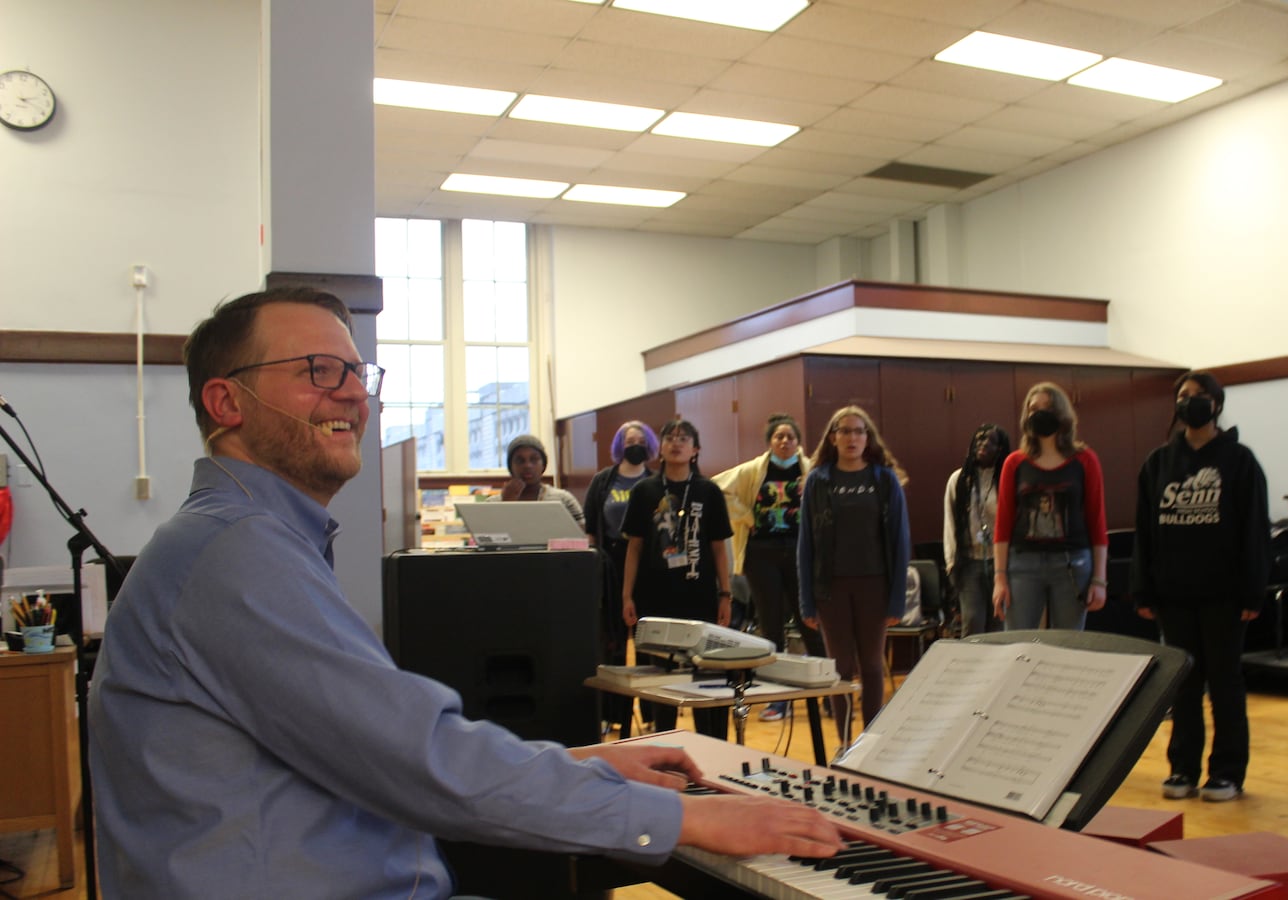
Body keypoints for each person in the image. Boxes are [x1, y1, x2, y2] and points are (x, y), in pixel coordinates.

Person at [85, 287, 841, 897]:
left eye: (359, 374)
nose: (353, 396)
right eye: (320, 370)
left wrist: (577, 765)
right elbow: (411, 757)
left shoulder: (246, 538)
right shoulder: (235, 550)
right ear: (227, 404)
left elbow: (362, 748)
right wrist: (682, 819)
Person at [1132, 371, 1270, 804]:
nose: (1190, 402)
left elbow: (1255, 530)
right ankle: (1182, 768)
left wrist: (1253, 591)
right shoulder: (1157, 463)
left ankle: (1228, 772)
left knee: (1225, 684)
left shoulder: (1240, 461)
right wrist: (1143, 589)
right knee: (1182, 686)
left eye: (1199, 396)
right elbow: (1144, 531)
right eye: (1183, 395)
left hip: (1225, 595)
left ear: (1216, 404)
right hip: (1174, 594)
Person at [798, 405, 911, 742]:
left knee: (873, 666)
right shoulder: (819, 481)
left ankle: (870, 741)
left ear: (868, 438)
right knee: (840, 666)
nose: (851, 437)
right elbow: (806, 544)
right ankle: (845, 741)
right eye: (844, 431)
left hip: (875, 585)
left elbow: (900, 541)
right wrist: (807, 601)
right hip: (830, 588)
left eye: (858, 431)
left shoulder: (883, 479)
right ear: (833, 438)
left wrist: (896, 600)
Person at [621, 418, 736, 737]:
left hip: (699, 596)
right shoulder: (644, 491)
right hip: (654, 596)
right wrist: (626, 595)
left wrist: (725, 595)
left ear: (695, 449)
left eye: (683, 438)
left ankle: (711, 748)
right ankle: (665, 744)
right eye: (669, 437)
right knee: (661, 680)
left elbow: (718, 549)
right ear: (660, 448)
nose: (676, 442)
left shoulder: (708, 491)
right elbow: (634, 548)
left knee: (706, 678)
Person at [712, 412, 824, 724]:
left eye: (790, 436)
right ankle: (777, 698)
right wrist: (745, 516)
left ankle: (825, 689)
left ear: (799, 442)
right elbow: (718, 488)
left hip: (802, 554)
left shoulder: (813, 469)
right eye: (779, 436)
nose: (785, 441)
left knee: (810, 622)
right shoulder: (753, 470)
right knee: (770, 626)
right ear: (770, 442)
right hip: (761, 555)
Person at [992, 382, 1108, 631]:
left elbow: (1096, 521)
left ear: (1062, 413)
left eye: (1047, 407)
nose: (1040, 413)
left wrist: (1099, 579)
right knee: (1016, 645)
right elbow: (1003, 524)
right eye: (1034, 408)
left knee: (1068, 648)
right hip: (1023, 564)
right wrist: (999, 577)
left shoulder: (1085, 460)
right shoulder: (1015, 462)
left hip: (1072, 564)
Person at [583, 420, 659, 732]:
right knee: (612, 641)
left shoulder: (656, 481)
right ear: (620, 445)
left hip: (647, 564)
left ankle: (654, 714)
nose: (635, 444)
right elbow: (590, 527)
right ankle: (611, 714)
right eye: (630, 440)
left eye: (641, 439)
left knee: (649, 641)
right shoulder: (603, 481)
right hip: (611, 563)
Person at [943, 424, 1011, 637]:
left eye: (990, 441)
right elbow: (950, 524)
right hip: (969, 562)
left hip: (1002, 563)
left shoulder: (1006, 479)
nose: (983, 444)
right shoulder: (959, 480)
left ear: (1000, 449)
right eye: (979, 439)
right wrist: (951, 563)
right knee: (972, 623)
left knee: (999, 624)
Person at [501, 433, 585, 527]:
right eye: (520, 461)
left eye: (534, 459)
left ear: (543, 465)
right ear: (510, 467)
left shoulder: (564, 499)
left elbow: (582, 535)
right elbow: (488, 537)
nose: (527, 465)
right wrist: (506, 505)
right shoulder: (492, 504)